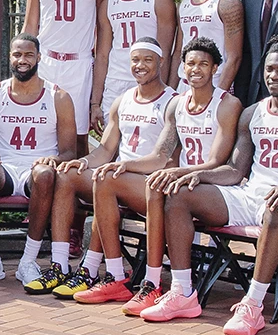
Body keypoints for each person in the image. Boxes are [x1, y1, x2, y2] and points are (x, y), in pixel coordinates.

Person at [156, 31, 278, 331]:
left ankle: (252, 305)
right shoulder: (252, 114)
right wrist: (195, 175)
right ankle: (183, 292)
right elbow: (236, 172)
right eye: (269, 69)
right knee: (179, 195)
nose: (273, 76)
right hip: (249, 196)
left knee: (275, 208)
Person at [28, 41, 176, 299]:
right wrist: (84, 162)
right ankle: (61, 265)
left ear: (161, 62)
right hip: (116, 177)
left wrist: (122, 166)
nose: (140, 66)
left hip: (151, 184)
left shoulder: (173, 101)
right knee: (67, 174)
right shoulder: (123, 100)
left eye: (148, 60)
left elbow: (161, 159)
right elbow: (105, 150)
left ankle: (108, 274)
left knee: (105, 179)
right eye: (135, 60)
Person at [102, 38, 240, 312]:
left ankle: (154, 283)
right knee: (109, 178)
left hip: (212, 185)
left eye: (203, 64)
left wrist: (180, 172)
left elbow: (216, 162)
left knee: (160, 186)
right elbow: (160, 157)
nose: (196, 69)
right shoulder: (177, 105)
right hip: (180, 182)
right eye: (190, 64)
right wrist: (123, 165)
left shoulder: (228, 104)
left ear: (215, 68)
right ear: (183, 68)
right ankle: (118, 276)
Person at [0, 34, 78, 289]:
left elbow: (70, 152)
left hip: (38, 169)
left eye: (29, 55)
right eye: (17, 54)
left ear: (39, 57)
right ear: (9, 57)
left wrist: (54, 158)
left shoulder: (58, 97)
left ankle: (28, 261)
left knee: (44, 174)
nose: (23, 60)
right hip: (5, 168)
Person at [22, 0, 110, 152]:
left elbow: (104, 29)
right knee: (42, 128)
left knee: (79, 137)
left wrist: (99, 69)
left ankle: (76, 190)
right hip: (46, 61)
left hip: (79, 63)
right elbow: (30, 23)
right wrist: (23, 60)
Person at [97, 0, 178, 117]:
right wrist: (94, 102)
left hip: (147, 84)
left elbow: (165, 53)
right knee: (111, 146)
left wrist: (164, 93)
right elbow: (102, 55)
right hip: (115, 84)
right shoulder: (109, 2)